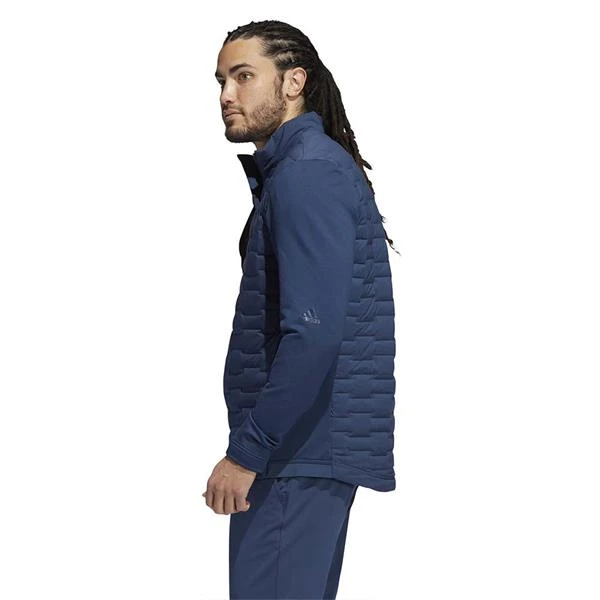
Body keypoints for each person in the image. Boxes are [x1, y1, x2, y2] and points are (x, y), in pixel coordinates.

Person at [202, 19, 400, 599]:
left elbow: (313, 333)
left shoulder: (307, 174)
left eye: (244, 76)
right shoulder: (305, 169)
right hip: (303, 452)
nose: (226, 95)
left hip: (294, 454)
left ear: (294, 82)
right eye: (220, 81)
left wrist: (248, 452)